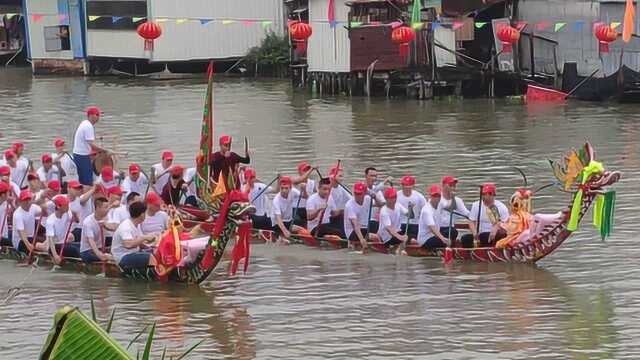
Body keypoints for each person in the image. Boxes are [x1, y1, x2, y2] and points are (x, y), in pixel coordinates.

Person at [111, 201, 158, 270]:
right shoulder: (126, 226)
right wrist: (144, 237)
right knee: (149, 257)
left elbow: (138, 242)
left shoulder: (137, 224)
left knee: (156, 252)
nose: (146, 215)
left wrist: (151, 247)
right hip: (122, 257)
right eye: (145, 213)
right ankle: (157, 274)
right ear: (142, 214)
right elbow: (128, 245)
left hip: (133, 253)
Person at [460, 183, 509, 248]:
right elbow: (471, 221)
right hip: (480, 234)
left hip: (495, 234)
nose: (483, 196)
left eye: (485, 194)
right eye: (482, 194)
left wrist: (495, 229)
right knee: (465, 238)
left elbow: (506, 224)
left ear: (492, 195)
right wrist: (474, 233)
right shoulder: (476, 205)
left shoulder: (500, 207)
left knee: (488, 236)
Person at [73, 106, 108, 186]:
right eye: (97, 115)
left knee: (82, 179)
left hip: (78, 154)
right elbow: (91, 144)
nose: (98, 117)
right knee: (87, 180)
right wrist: (103, 150)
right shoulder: (88, 126)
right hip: (82, 156)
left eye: (99, 115)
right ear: (91, 116)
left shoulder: (84, 123)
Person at [45, 195, 80, 264]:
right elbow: (51, 240)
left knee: (81, 246)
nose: (68, 207)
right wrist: (55, 256)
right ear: (58, 206)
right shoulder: (50, 221)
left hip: (64, 243)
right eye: (66, 205)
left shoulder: (66, 214)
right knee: (75, 250)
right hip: (54, 246)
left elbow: (77, 221)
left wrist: (75, 215)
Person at [270, 176, 306, 242]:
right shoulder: (276, 200)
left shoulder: (293, 191)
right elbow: (278, 219)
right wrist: (285, 231)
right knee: (286, 242)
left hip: (289, 221)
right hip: (277, 224)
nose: (284, 191)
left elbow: (305, 196)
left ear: (290, 187)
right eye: (282, 188)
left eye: (286, 188)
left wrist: (304, 189)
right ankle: (281, 237)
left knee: (302, 230)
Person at [344, 182, 377, 250]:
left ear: (365, 193)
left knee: (380, 227)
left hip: (365, 227)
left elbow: (380, 204)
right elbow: (355, 224)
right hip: (352, 232)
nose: (357, 195)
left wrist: (375, 197)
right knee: (375, 237)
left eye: (359, 193)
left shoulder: (368, 199)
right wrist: (362, 239)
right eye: (355, 193)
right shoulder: (349, 205)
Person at [80, 197, 114, 263]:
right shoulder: (88, 222)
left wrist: (106, 225)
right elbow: (91, 241)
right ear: (98, 208)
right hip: (87, 251)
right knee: (108, 257)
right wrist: (99, 255)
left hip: (101, 248)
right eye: (105, 207)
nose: (108, 210)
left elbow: (113, 228)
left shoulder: (107, 217)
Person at [436, 176, 469, 243]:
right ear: (443, 185)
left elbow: (467, 214)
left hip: (450, 230)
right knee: (453, 232)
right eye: (450, 185)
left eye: (454, 185)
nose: (453, 187)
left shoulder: (457, 200)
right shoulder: (437, 199)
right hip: (437, 229)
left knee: (454, 232)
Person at [417, 184, 450, 250]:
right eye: (434, 196)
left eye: (438, 196)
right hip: (425, 239)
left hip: (434, 235)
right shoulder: (426, 210)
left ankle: (448, 246)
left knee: (453, 231)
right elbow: (432, 228)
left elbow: (449, 206)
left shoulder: (440, 204)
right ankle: (443, 249)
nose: (436, 198)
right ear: (430, 196)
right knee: (442, 240)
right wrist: (442, 238)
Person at [376, 187, 408, 252]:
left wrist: (411, 209)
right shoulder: (384, 211)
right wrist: (400, 237)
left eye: (394, 197)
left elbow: (409, 215)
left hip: (396, 232)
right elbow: (389, 228)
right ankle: (398, 249)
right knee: (406, 237)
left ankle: (399, 247)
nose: (393, 200)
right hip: (386, 237)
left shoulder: (398, 205)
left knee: (412, 232)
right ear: (386, 199)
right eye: (390, 198)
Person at [397, 175, 426, 241]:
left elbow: (426, 212)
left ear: (413, 185)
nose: (407, 187)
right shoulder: (396, 195)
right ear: (401, 185)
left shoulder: (419, 197)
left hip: (415, 224)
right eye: (405, 185)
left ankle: (412, 241)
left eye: (409, 185)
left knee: (413, 237)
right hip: (400, 224)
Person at [292, 161, 317, 226]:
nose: (307, 172)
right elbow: (301, 179)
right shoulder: (294, 180)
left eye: (307, 170)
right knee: (298, 221)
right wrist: (312, 169)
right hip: (295, 209)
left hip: (307, 208)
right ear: (299, 172)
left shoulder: (312, 183)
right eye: (304, 170)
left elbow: (318, 195)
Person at [364, 167, 388, 233]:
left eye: (375, 176)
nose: (374, 178)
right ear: (366, 176)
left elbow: (383, 204)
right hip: (364, 222)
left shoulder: (377, 190)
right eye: (371, 176)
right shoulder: (360, 189)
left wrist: (376, 201)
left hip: (375, 221)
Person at [0, 182, 11, 246]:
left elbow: (13, 212)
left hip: (4, 235)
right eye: (8, 192)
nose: (9, 194)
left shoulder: (6, 203)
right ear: (3, 195)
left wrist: (11, 203)